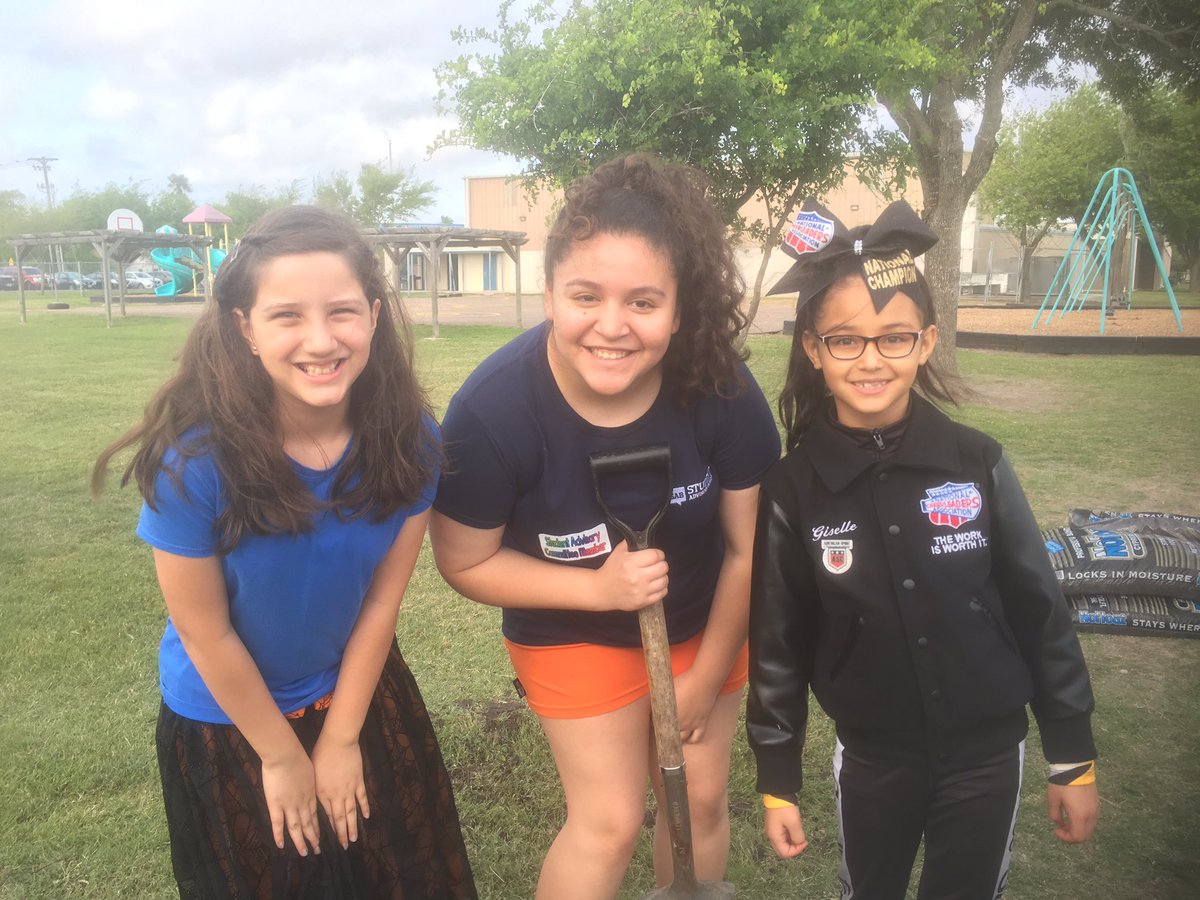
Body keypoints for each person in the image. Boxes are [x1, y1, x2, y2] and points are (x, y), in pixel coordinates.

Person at [92, 206, 476, 899]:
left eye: (342, 312)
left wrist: (339, 739)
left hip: (358, 695)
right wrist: (282, 756)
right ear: (245, 329)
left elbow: (384, 598)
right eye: (287, 316)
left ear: (376, 315)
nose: (321, 340)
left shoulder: (409, 439)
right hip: (228, 720)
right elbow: (204, 632)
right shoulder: (194, 463)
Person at [430, 154, 781, 898]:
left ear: (680, 308)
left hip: (701, 619)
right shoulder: (493, 412)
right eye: (585, 296)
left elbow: (751, 550)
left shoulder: (720, 388)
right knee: (611, 820)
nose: (612, 327)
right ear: (549, 293)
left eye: (643, 302)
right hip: (569, 627)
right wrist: (599, 590)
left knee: (700, 799)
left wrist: (709, 673)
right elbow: (464, 562)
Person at [746, 199, 1100, 899]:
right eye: (845, 340)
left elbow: (1040, 608)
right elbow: (778, 640)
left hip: (988, 753)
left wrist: (1073, 757)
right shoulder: (793, 487)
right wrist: (778, 778)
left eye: (894, 338)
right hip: (876, 757)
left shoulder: (976, 462)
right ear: (814, 349)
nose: (871, 360)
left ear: (928, 340)